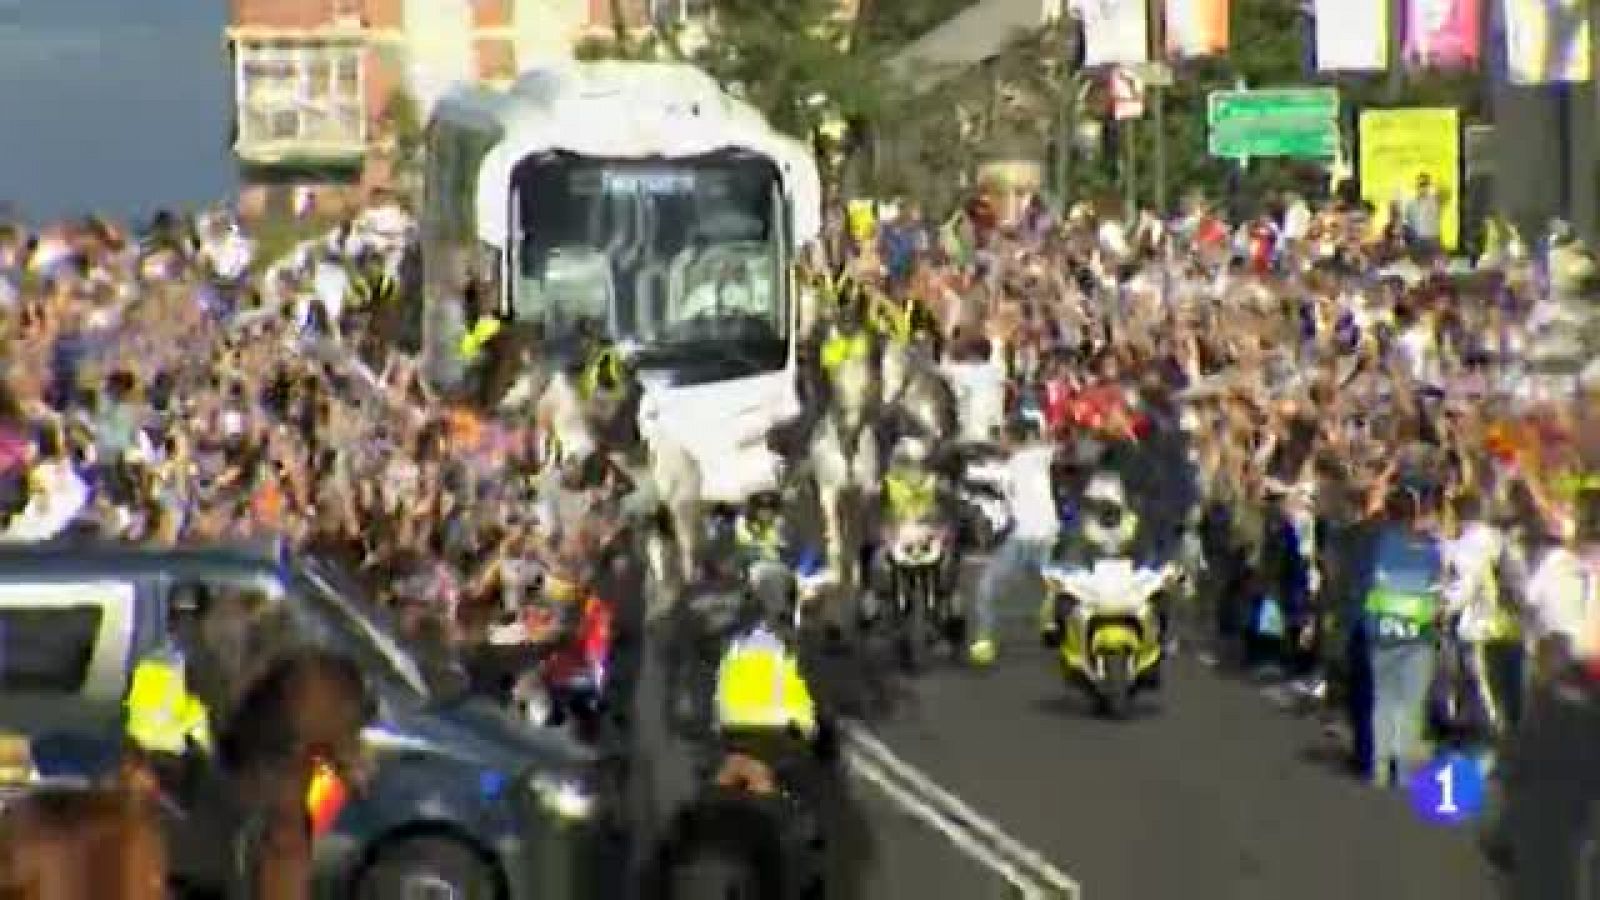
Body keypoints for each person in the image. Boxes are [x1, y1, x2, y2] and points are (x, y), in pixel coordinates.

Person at [969, 422, 1060, 665]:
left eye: (1003, 438)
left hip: (1023, 538)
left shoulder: (1014, 465)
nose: (1000, 442)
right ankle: (1051, 622)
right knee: (1052, 586)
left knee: (987, 587)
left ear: (1010, 440)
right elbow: (1056, 448)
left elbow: (976, 474)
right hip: (1048, 535)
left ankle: (984, 640)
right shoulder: (1038, 458)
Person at [125, 588, 213, 774]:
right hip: (142, 668)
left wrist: (206, 743)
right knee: (147, 617)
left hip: (169, 667)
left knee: (179, 625)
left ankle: (178, 590)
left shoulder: (176, 737)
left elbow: (199, 710)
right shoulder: (137, 734)